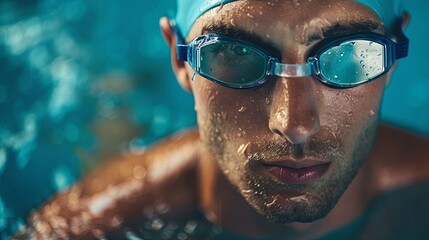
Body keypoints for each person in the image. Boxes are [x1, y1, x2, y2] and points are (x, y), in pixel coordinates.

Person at [14, 0, 429, 239]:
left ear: (393, 55)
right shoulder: (90, 225)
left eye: (349, 53)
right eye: (235, 54)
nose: (294, 123)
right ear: (179, 56)